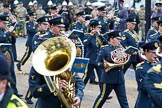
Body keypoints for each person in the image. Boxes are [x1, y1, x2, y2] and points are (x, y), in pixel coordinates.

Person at [29, 16, 85, 108]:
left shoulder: (65, 65)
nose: (61, 30)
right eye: (58, 27)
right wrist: (54, 86)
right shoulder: (38, 68)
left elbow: (79, 82)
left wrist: (78, 96)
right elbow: (35, 91)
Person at [93, 30, 129, 108]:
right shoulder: (105, 49)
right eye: (117, 39)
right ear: (111, 39)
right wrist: (106, 66)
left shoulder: (120, 49)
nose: (119, 41)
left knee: (124, 101)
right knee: (102, 98)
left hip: (120, 79)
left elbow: (123, 60)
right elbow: (97, 62)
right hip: (108, 79)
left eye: (119, 39)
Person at [25, 16, 49, 104]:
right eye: (44, 24)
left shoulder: (48, 35)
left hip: (47, 61)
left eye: (47, 24)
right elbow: (35, 49)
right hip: (39, 61)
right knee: (35, 80)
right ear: (39, 25)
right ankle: (28, 96)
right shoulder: (37, 36)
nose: (46, 26)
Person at [0, 15, 23, 97]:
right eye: (3, 23)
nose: (5, 25)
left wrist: (12, 35)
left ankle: (14, 92)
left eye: (6, 23)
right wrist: (9, 31)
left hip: (8, 53)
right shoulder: (5, 31)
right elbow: (1, 38)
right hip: (0, 55)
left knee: (12, 73)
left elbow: (13, 42)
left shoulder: (5, 30)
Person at [135, 40, 159, 108]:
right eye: (153, 52)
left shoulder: (158, 66)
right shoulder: (141, 68)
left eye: (157, 52)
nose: (156, 55)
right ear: (146, 52)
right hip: (145, 102)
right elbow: (143, 87)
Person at [83, 19, 107, 85]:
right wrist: (91, 35)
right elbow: (85, 44)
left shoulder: (100, 37)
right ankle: (79, 92)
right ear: (93, 28)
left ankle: (103, 94)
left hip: (98, 60)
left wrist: (99, 35)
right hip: (90, 60)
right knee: (86, 77)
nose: (99, 29)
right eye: (98, 27)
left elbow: (106, 44)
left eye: (100, 28)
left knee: (102, 78)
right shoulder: (87, 35)